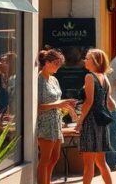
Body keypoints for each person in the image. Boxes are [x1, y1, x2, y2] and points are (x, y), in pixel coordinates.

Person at [36, 49, 77, 184]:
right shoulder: (38, 80)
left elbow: (57, 101)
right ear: (47, 62)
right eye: (56, 64)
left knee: (54, 158)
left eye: (60, 64)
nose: (58, 67)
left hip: (56, 122)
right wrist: (58, 104)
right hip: (44, 122)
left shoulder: (54, 79)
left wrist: (68, 106)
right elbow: (37, 107)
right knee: (45, 159)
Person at [78, 49, 115, 184]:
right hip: (102, 122)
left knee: (88, 164)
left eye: (87, 58)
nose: (85, 60)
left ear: (95, 61)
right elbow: (110, 104)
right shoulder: (105, 78)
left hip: (90, 121)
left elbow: (89, 102)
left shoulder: (89, 76)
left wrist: (79, 121)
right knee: (101, 162)